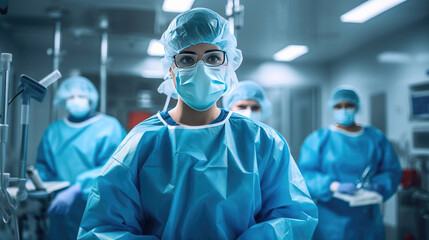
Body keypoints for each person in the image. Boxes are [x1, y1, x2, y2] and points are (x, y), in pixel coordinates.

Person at [78, 8, 317, 240]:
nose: (201, 68)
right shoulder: (141, 143)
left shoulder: (262, 141)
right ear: (171, 70)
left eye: (213, 57)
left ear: (228, 65)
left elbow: (293, 217)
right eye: (187, 59)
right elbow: (104, 229)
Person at [298, 87, 402, 240]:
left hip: (368, 217)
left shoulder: (375, 138)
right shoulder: (319, 139)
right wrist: (334, 186)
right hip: (331, 220)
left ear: (356, 107)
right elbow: (306, 174)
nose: (344, 110)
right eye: (338, 106)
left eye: (348, 105)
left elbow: (391, 170)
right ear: (332, 108)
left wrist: (381, 184)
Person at [35, 75, 126, 240]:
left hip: (98, 206)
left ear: (91, 98)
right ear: (63, 100)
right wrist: (33, 181)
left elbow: (114, 168)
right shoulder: (54, 131)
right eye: (70, 96)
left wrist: (77, 188)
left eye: (81, 96)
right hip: (61, 209)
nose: (76, 100)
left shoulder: (109, 127)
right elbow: (44, 167)